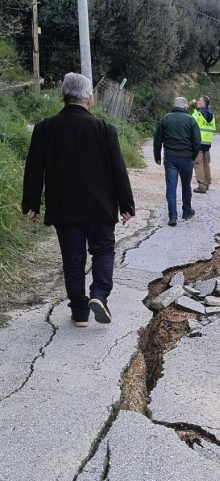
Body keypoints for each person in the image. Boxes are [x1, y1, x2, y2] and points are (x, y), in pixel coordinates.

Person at [21, 73, 135, 327]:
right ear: (90, 99)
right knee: (103, 250)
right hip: (100, 206)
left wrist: (31, 204)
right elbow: (118, 170)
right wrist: (127, 205)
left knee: (73, 259)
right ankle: (99, 295)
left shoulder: (45, 129)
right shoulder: (105, 129)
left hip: (64, 207)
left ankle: (80, 313)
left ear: (63, 96)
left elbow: (34, 169)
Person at [154, 96, 201, 225]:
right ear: (185, 107)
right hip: (186, 158)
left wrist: (157, 156)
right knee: (186, 185)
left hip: (170, 158)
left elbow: (158, 139)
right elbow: (197, 142)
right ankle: (186, 211)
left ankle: (172, 216)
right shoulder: (191, 120)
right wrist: (193, 156)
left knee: (171, 187)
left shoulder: (165, 119)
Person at [191, 94, 217, 193]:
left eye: (199, 101)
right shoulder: (212, 116)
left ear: (204, 103)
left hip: (198, 143)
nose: (197, 102)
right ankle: (207, 183)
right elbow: (213, 129)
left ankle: (201, 185)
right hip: (207, 144)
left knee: (198, 163)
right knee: (206, 164)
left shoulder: (197, 114)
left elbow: (191, 128)